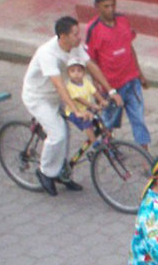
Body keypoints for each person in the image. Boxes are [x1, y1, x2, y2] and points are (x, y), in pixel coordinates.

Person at [21, 16, 118, 195]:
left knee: (68, 132)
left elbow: (90, 66)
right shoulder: (47, 54)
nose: (79, 37)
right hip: (39, 98)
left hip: (61, 95)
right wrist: (75, 110)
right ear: (63, 36)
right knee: (58, 134)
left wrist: (111, 91)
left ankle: (61, 171)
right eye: (75, 34)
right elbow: (59, 85)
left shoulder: (74, 46)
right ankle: (45, 172)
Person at [85, 0, 152, 152]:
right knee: (109, 121)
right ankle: (110, 148)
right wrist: (98, 87)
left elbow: (129, 47)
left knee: (139, 119)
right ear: (97, 6)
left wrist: (140, 74)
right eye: (106, 6)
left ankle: (145, 154)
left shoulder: (123, 20)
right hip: (111, 86)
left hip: (132, 81)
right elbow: (90, 61)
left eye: (113, 5)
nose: (111, 9)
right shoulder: (93, 29)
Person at [64, 57, 109, 145]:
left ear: (84, 72)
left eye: (79, 71)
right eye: (72, 71)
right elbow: (79, 99)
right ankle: (95, 144)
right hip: (74, 112)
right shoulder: (70, 86)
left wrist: (102, 100)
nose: (76, 74)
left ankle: (108, 139)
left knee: (100, 122)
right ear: (68, 73)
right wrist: (93, 105)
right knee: (87, 123)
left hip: (86, 109)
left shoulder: (86, 82)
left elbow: (94, 92)